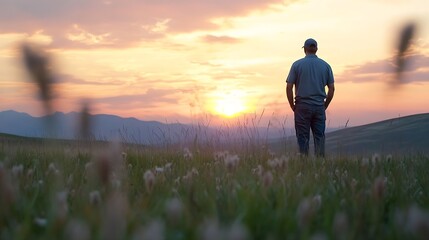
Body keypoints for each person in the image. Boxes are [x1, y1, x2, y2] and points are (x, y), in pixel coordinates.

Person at [286, 38, 335, 157]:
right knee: (319, 138)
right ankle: (320, 166)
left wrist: (292, 105)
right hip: (319, 106)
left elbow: (289, 87)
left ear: (305, 50)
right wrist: (324, 105)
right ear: (316, 49)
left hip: (302, 106)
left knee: (302, 138)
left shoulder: (297, 65)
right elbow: (332, 89)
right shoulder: (326, 66)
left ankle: (304, 166)